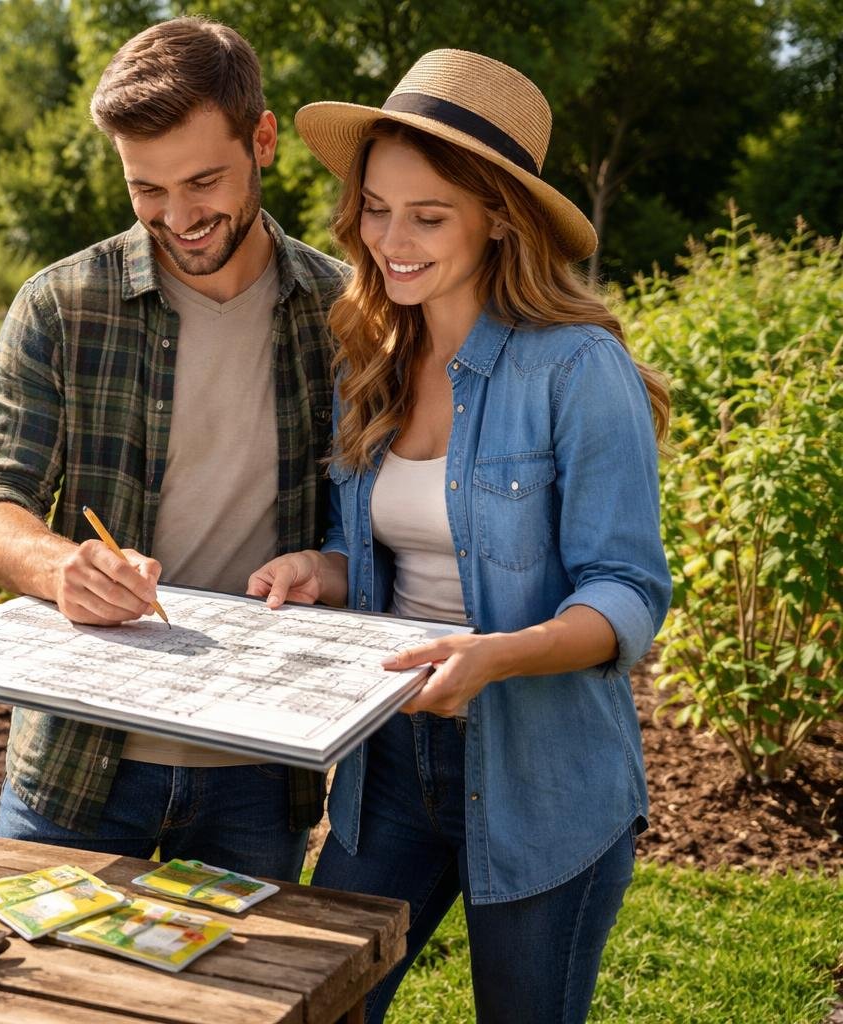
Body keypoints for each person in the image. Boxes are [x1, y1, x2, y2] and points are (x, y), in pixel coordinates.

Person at [248, 50, 672, 1021]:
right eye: (377, 208)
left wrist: (497, 655)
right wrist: (323, 565)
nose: (391, 239)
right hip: (389, 763)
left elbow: (627, 594)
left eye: (428, 216)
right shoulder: (374, 356)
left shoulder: (577, 370)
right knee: (327, 1005)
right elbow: (398, 555)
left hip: (540, 773)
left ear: (498, 219)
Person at [0, 16, 347, 881]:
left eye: (203, 181)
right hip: (78, 758)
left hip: (260, 764)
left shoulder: (345, 314)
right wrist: (60, 567)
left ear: (265, 140)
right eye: (147, 190)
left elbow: (381, 517)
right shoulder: (61, 304)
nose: (179, 217)